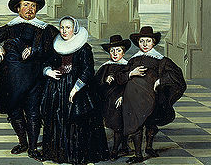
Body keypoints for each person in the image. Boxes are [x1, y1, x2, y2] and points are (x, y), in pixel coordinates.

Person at [0, 0, 58, 159]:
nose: (30, 9)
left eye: (33, 6)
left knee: (33, 112)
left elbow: (54, 51)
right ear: (18, 8)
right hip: (12, 79)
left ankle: (32, 147)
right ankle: (22, 142)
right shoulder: (10, 27)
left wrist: (35, 49)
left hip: (35, 77)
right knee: (14, 112)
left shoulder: (46, 29)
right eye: (26, 5)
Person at [40, 16, 108, 165]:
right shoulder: (56, 45)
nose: (64, 31)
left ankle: (76, 156)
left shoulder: (84, 48)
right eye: (62, 27)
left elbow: (87, 71)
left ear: (74, 29)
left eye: (68, 28)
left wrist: (75, 89)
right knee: (57, 119)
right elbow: (47, 62)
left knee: (76, 121)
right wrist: (49, 71)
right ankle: (59, 153)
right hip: (57, 87)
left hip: (78, 87)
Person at [121, 26, 186, 163]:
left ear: (154, 42)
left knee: (150, 122)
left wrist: (161, 81)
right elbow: (120, 76)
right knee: (136, 124)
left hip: (152, 97)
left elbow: (176, 75)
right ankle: (138, 155)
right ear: (138, 42)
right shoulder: (133, 60)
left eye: (148, 41)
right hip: (133, 98)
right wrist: (131, 74)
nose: (144, 44)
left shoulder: (160, 60)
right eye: (142, 41)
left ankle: (149, 147)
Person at [95, 34, 132, 160]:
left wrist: (123, 97)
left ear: (124, 51)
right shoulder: (105, 66)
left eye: (118, 50)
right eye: (112, 51)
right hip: (107, 100)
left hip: (122, 99)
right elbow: (96, 84)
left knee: (119, 124)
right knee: (114, 123)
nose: (115, 53)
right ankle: (122, 146)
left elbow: (131, 85)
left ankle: (116, 149)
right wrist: (105, 80)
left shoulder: (128, 66)